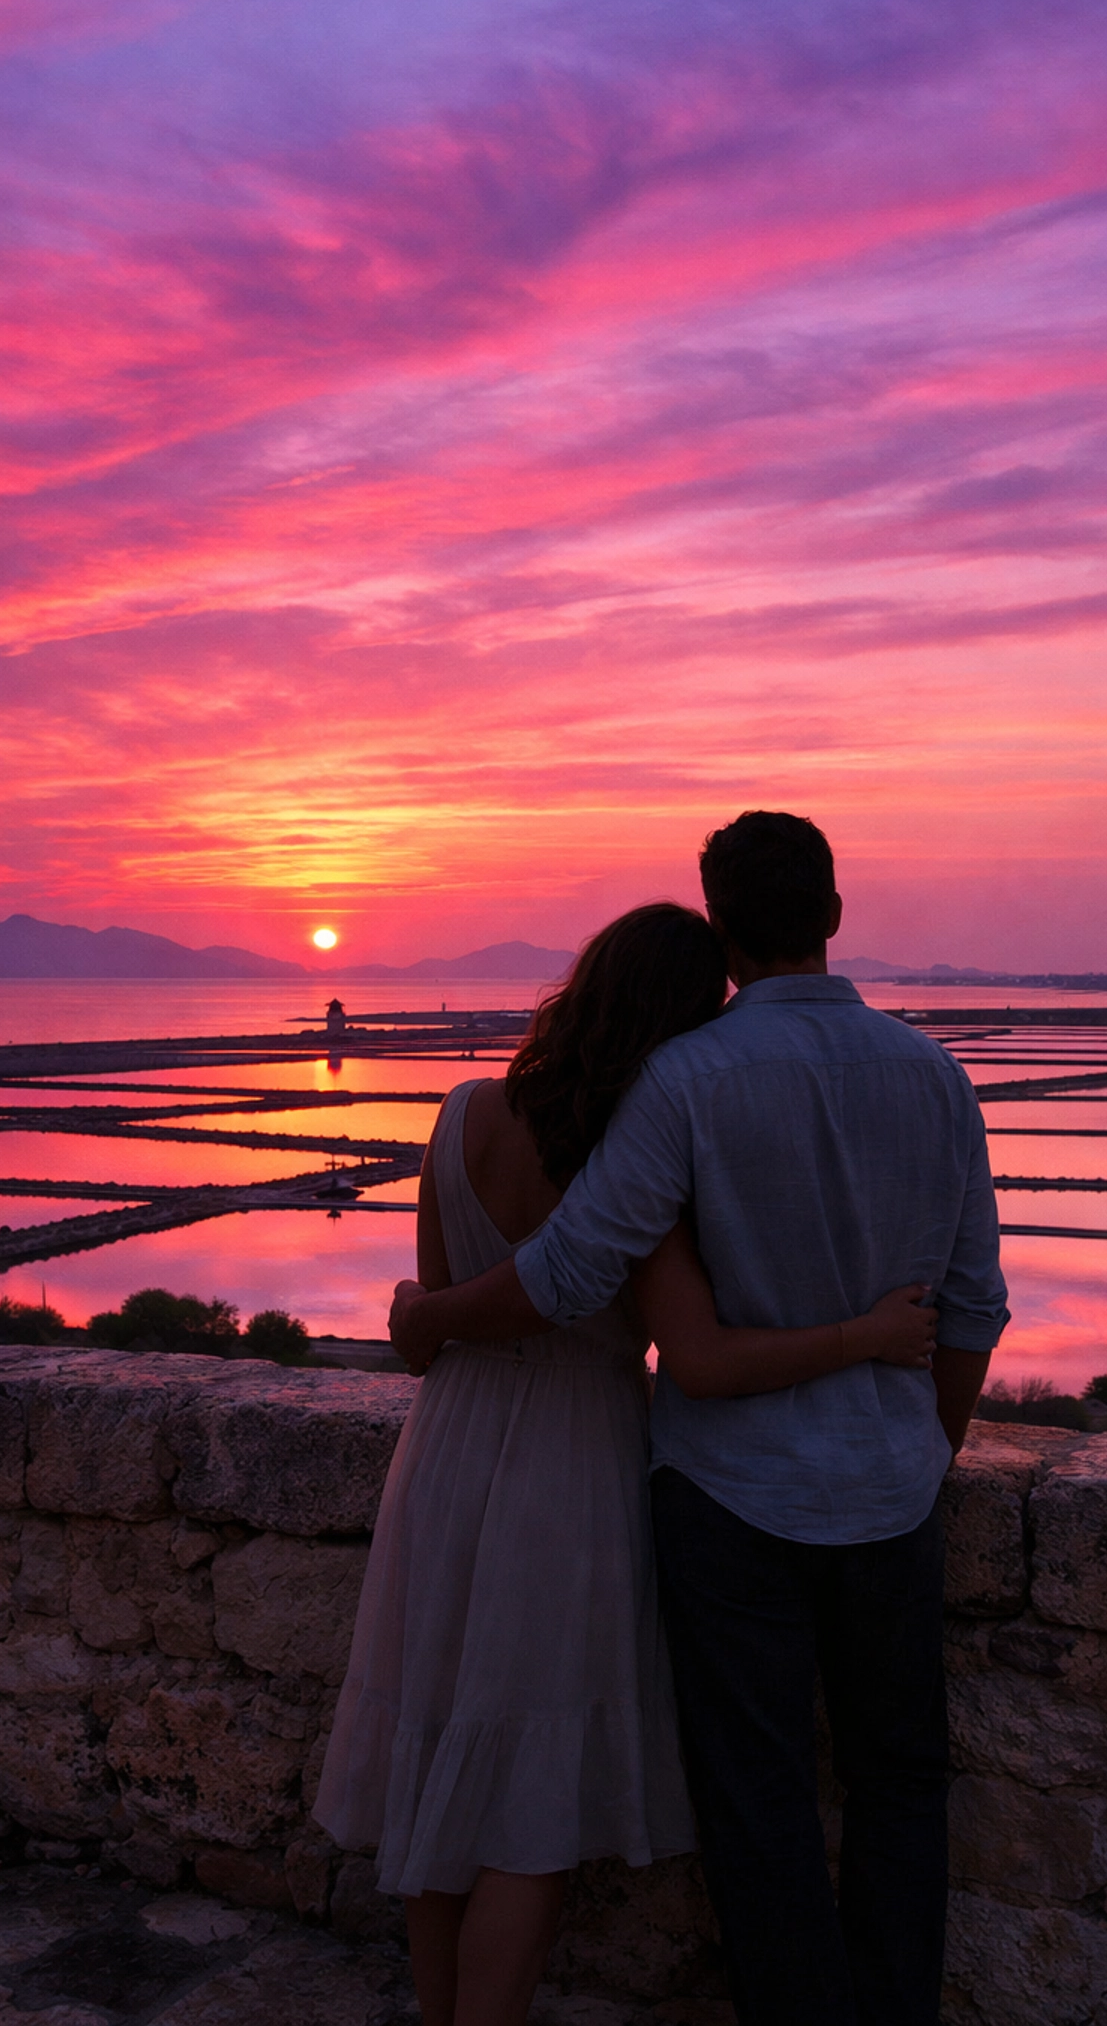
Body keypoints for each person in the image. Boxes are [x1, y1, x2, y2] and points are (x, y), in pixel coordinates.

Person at [390, 813, 1009, 2026]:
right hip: (890, 1493)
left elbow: (568, 1274)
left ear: (722, 930)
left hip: (729, 1498)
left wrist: (428, 1318)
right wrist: (926, 1451)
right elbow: (975, 1309)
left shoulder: (685, 1078)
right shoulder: (937, 1076)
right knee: (900, 1781)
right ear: (833, 915)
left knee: (759, 1794)